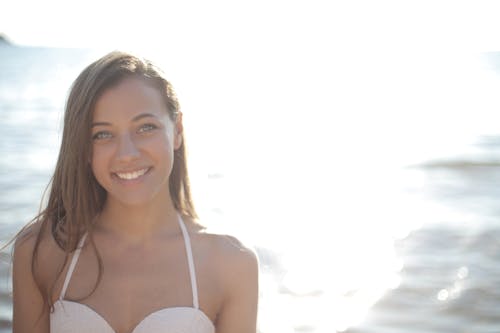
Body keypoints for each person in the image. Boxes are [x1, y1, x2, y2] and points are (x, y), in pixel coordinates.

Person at [11, 51, 259, 333]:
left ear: (176, 130)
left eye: (145, 127)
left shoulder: (231, 264)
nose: (127, 154)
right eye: (102, 134)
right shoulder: (41, 251)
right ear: (83, 148)